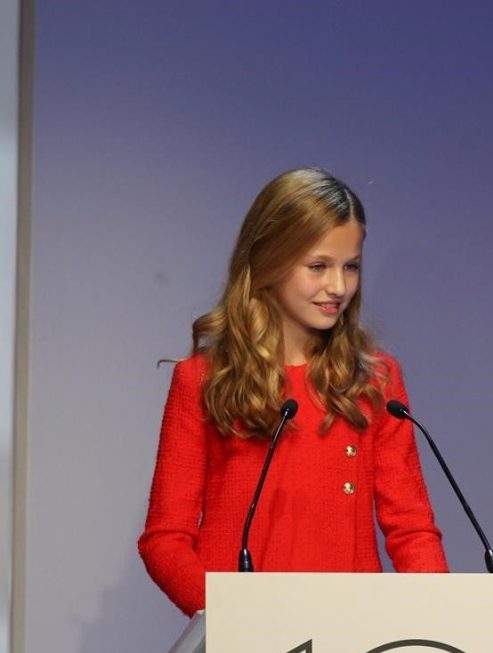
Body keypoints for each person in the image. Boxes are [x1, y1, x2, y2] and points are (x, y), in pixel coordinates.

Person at [139, 167, 447, 616]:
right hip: (246, 642)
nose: (338, 287)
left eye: (351, 267)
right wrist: (229, 616)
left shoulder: (373, 379)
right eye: (318, 266)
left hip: (352, 632)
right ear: (269, 261)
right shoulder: (205, 379)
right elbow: (165, 539)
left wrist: (438, 620)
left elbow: (412, 529)